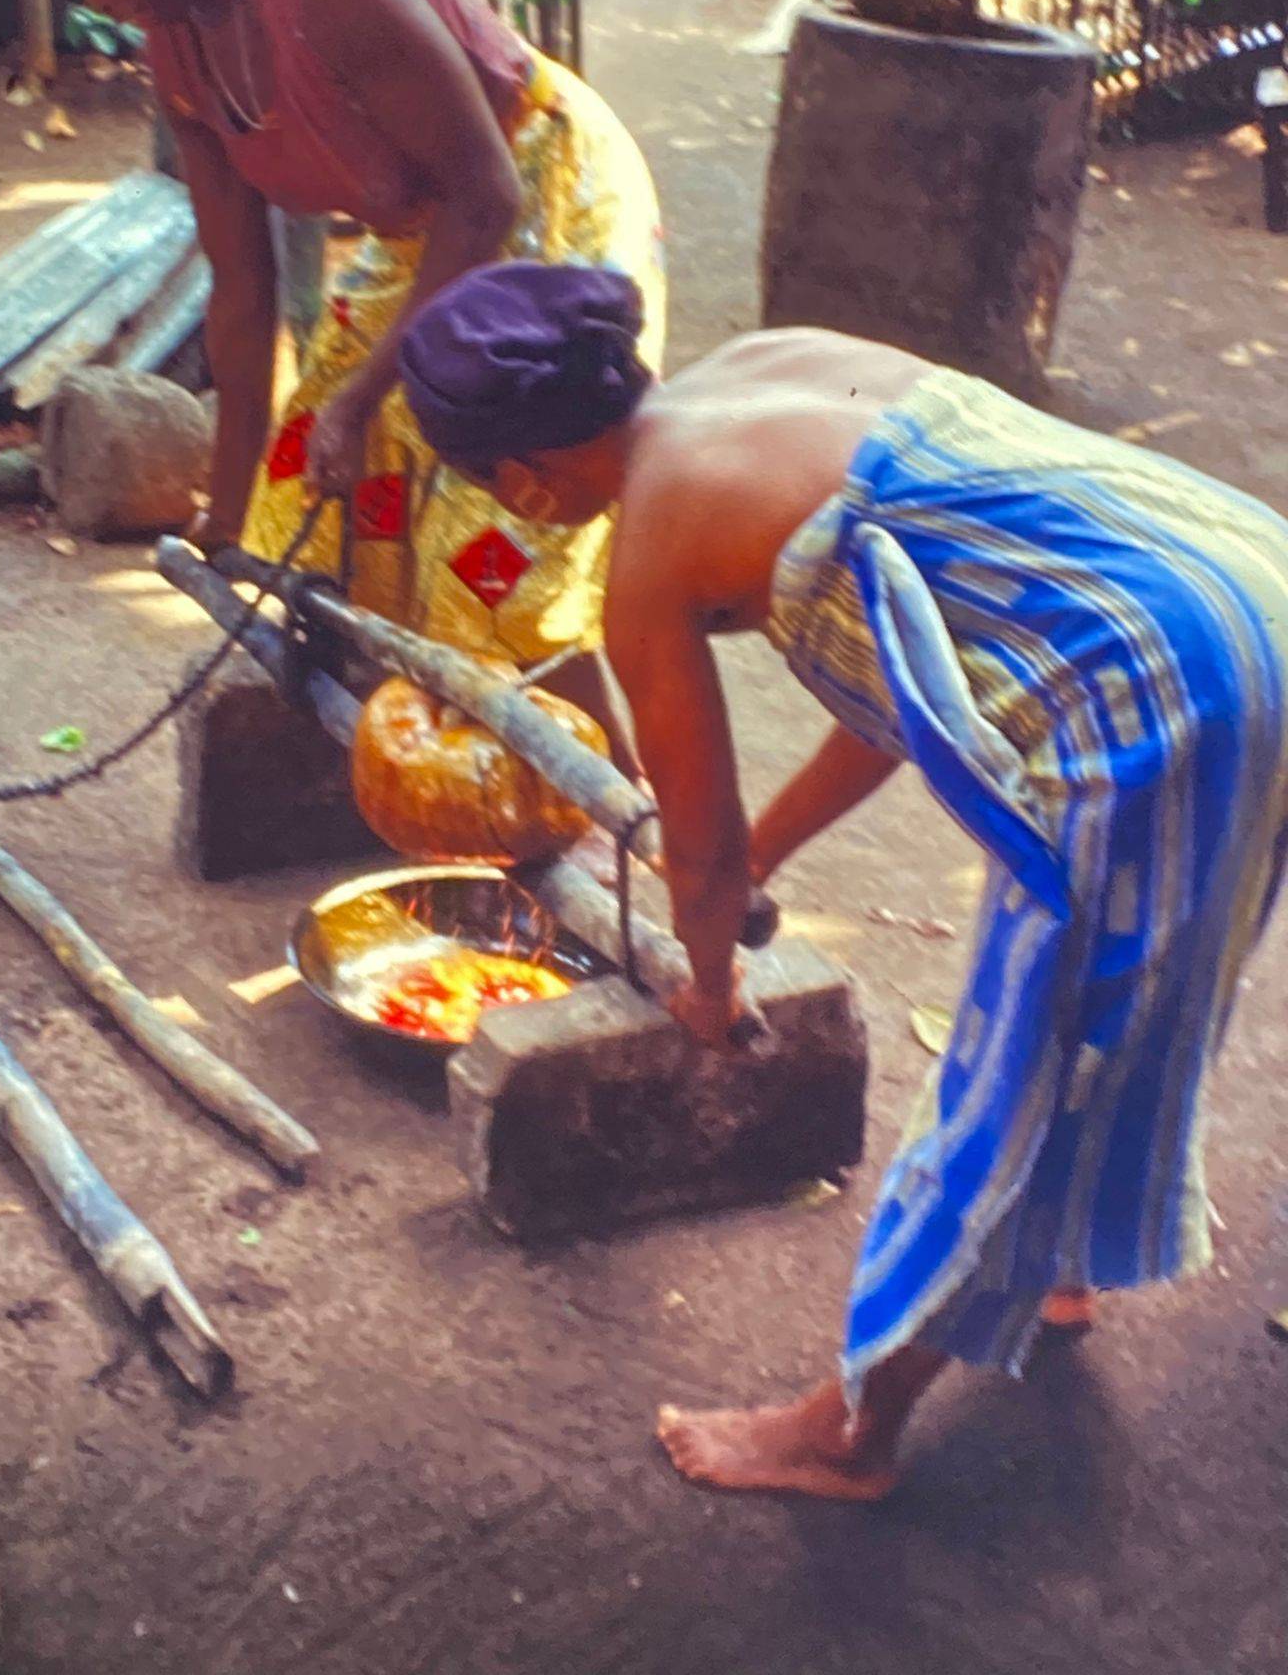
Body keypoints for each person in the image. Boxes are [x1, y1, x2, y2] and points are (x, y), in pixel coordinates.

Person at [397, 260, 1288, 1500]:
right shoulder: (778, 358)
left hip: (1156, 681)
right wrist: (772, 848)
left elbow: (692, 854)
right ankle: (1046, 1256)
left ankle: (849, 1429)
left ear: (526, 480)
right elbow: (901, 669)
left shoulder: (650, 549)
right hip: (1248, 584)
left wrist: (706, 982)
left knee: (1028, 1048)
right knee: (1125, 993)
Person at [0, 0, 663, 746]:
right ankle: (420, 768)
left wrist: (367, 390)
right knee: (317, 483)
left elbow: (487, 195)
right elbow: (242, 287)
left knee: (504, 516)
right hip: (428, 228)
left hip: (539, 190)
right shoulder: (174, 40)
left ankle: (627, 817)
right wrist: (223, 517)